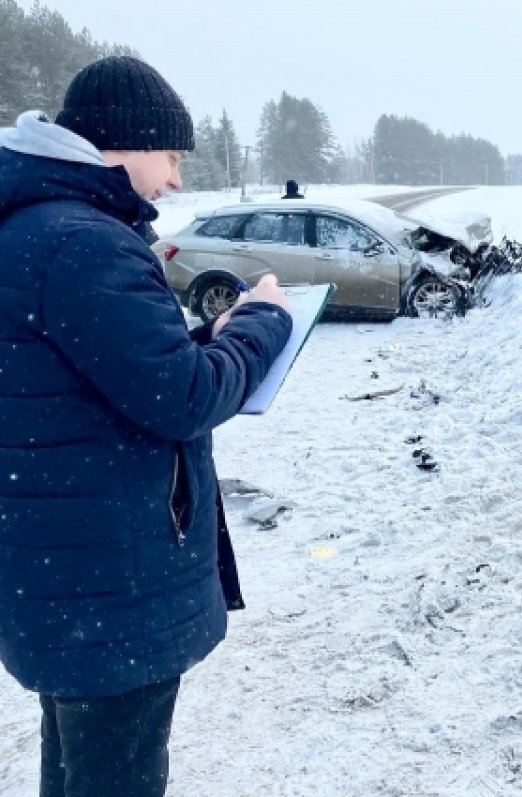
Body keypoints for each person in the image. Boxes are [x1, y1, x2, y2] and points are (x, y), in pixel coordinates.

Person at [0, 56, 294, 797]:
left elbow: (105, 377)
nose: (174, 180)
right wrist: (260, 321)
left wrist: (203, 335)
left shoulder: (32, 229)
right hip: (109, 587)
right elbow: (186, 397)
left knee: (74, 770)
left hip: (62, 580)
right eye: (171, 156)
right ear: (123, 142)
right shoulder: (83, 241)